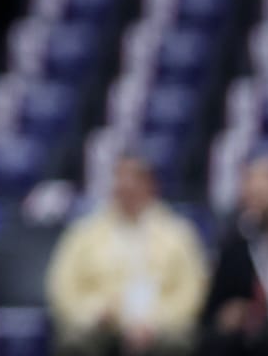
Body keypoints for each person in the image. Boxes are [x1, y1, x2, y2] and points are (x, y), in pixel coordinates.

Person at [46, 152, 209, 356]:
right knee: (75, 339)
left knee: (178, 341)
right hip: (102, 321)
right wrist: (93, 313)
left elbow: (191, 290)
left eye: (134, 179)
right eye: (120, 178)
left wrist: (156, 321)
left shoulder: (178, 233)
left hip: (159, 322)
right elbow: (62, 287)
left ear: (151, 185)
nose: (126, 185)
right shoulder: (84, 232)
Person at [201, 149, 268, 356]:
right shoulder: (237, 245)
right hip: (252, 342)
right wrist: (229, 314)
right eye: (250, 195)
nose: (253, 195)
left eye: (261, 193)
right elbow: (212, 311)